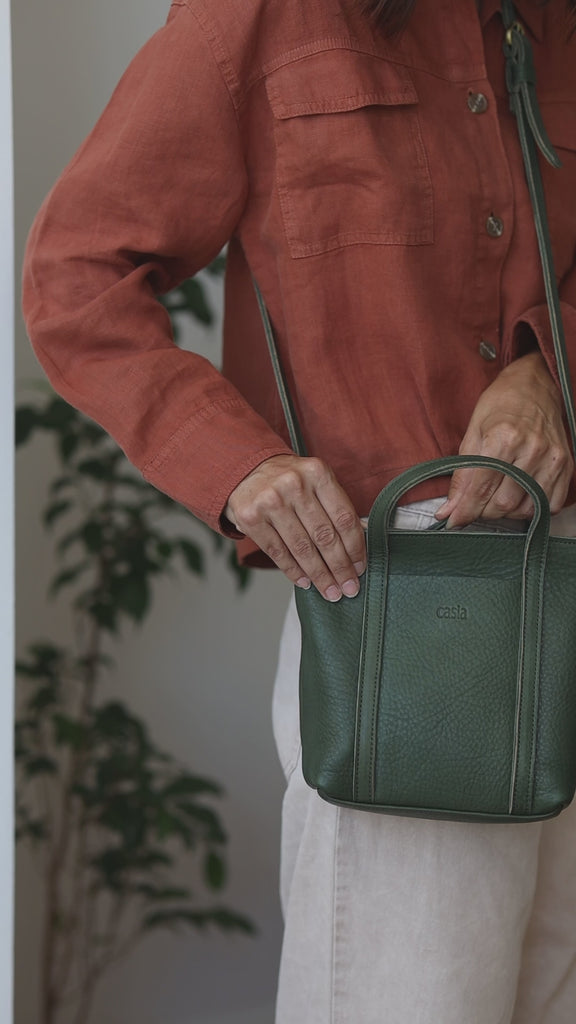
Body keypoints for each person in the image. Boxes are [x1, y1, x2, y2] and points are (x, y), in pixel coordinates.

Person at [21, 0, 576, 1020]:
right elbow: (75, 276)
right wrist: (237, 464)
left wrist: (551, 368)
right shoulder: (262, 19)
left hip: (569, 565)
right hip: (415, 618)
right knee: (416, 997)